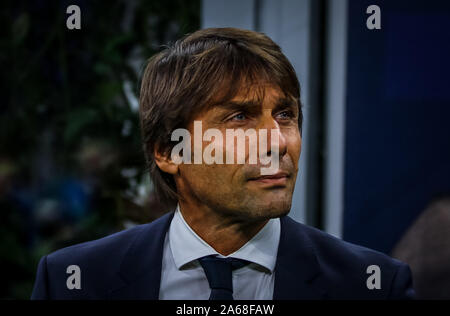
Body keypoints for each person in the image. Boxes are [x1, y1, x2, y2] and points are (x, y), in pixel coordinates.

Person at [31, 28, 415, 300]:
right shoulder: (71, 282)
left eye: (285, 115)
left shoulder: (374, 287)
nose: (278, 142)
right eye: (239, 118)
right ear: (168, 151)